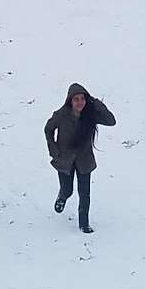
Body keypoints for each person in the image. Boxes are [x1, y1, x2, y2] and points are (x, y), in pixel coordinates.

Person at [44, 83, 116, 234]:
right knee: (67, 189)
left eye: (82, 99)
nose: (79, 102)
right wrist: (53, 149)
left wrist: (95, 102)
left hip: (85, 160)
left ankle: (84, 223)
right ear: (70, 100)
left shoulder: (90, 115)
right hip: (64, 160)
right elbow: (48, 129)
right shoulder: (61, 115)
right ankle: (62, 197)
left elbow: (111, 121)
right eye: (76, 99)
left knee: (84, 193)